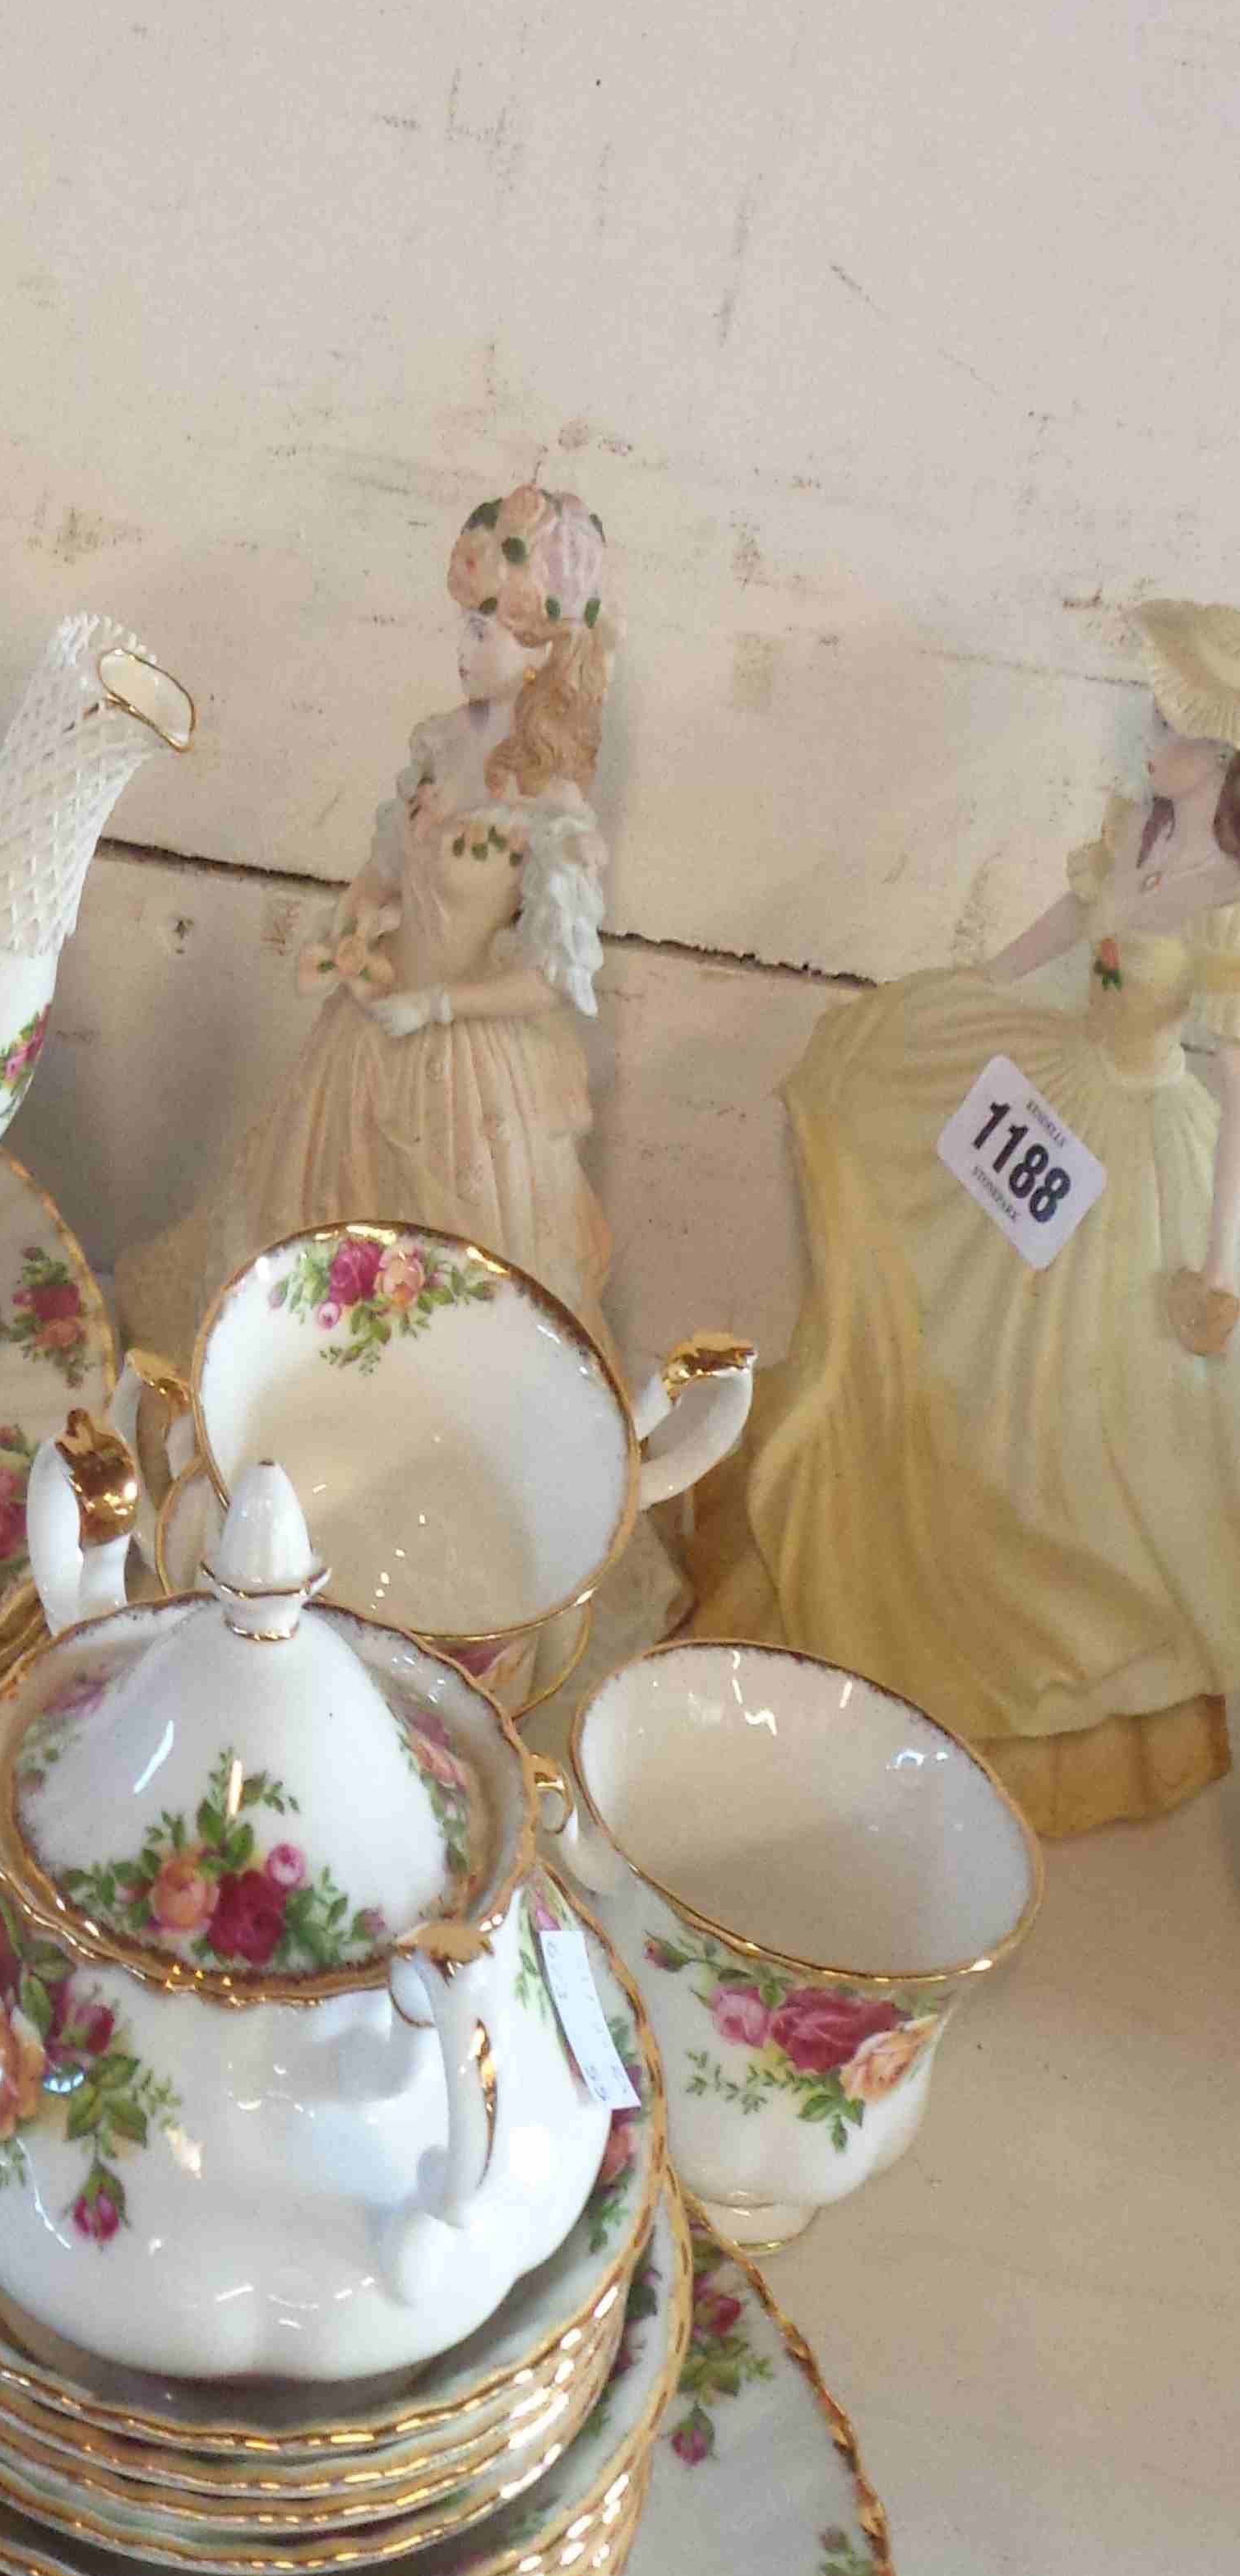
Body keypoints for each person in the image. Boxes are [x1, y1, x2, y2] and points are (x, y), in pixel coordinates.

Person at [683, 604, 1240, 1834]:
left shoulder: (1225, 905)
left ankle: (1039, 1646)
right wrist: (959, 1000)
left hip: (1136, 1154)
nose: (1154, 743)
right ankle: (906, 1554)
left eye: (1177, 733)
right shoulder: (1133, 836)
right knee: (952, 1329)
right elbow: (1056, 935)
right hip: (1048, 1102)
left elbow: (1235, 1092)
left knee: (1076, 1411)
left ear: (1227, 751)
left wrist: (1220, 1268)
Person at [124, 475, 619, 1357]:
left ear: (540, 651)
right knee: (308, 1223)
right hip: (365, 1028)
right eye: (462, 624)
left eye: (484, 630)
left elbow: (548, 978)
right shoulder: (441, 740)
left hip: (463, 1072)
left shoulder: (552, 803)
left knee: (455, 1287)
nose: (463, 648)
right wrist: (350, 923)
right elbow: (388, 869)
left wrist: (434, 1008)